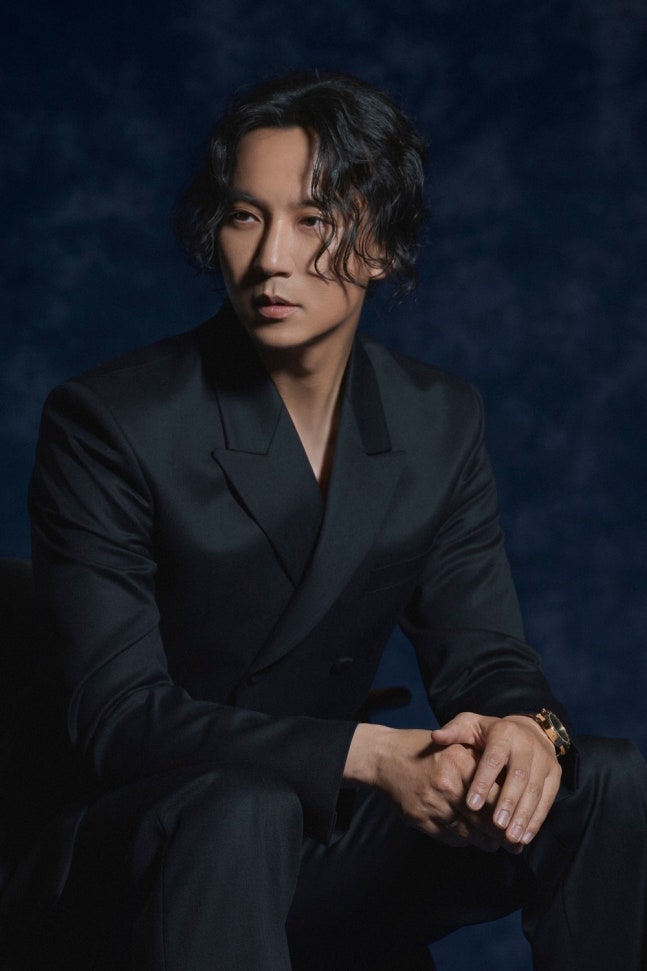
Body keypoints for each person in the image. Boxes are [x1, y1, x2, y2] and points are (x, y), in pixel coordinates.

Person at [2, 71, 646, 970]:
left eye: (313, 219)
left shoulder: (436, 419)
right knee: (244, 808)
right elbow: (119, 718)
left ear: (381, 243)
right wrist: (368, 754)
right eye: (244, 216)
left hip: (315, 834)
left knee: (602, 777)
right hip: (146, 845)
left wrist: (524, 732)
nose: (270, 257)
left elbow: (486, 655)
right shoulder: (111, 421)